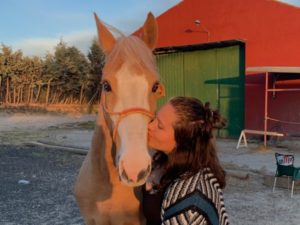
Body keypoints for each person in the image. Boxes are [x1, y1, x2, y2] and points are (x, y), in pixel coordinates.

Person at [142, 96, 229, 225]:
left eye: (159, 126)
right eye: (154, 118)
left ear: (182, 140)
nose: (149, 126)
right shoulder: (166, 162)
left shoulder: (190, 202)